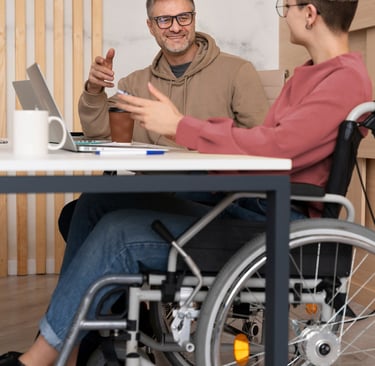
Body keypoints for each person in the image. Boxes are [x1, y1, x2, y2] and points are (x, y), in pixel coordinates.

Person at [1, 0, 372, 365]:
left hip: (274, 220)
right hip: (250, 199)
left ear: (310, 14)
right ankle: (69, 341)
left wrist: (181, 126)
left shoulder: (342, 81)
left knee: (118, 231)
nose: (283, 13)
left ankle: (41, 358)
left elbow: (274, 150)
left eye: (286, 5)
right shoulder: (312, 74)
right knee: (100, 201)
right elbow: (270, 147)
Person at [57, 0, 269, 239]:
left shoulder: (237, 71)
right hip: (155, 190)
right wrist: (94, 90)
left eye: (183, 17)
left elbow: (261, 146)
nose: (176, 27)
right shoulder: (135, 83)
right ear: (151, 26)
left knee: (92, 207)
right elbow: (99, 133)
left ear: (194, 18)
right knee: (73, 213)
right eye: (164, 20)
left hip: (211, 194)